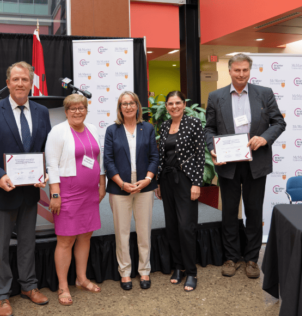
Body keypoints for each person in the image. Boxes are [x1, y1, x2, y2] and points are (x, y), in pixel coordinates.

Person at [0, 61, 51, 316]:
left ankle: (29, 286)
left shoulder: (41, 111)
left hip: (29, 193)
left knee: (28, 243)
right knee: (0, 246)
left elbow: (45, 149)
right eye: (15, 79)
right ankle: (2, 294)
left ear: (31, 83)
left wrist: (44, 171)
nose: (20, 84)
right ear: (7, 83)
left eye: (24, 79)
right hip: (2, 191)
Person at [204, 53, 286, 279]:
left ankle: (251, 259)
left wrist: (265, 138)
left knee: (253, 210)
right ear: (229, 71)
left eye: (245, 70)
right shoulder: (216, 96)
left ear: (250, 71)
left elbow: (279, 122)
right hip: (228, 163)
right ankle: (231, 257)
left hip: (255, 162)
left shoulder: (264, 94)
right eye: (237, 70)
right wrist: (213, 149)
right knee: (229, 212)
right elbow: (209, 129)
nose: (241, 74)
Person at [45, 94, 106, 305]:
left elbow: (99, 157)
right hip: (67, 193)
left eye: (81, 108)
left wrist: (102, 183)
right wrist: (55, 194)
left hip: (90, 193)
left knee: (86, 236)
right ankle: (63, 286)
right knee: (66, 239)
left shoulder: (93, 129)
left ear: (86, 109)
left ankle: (81, 279)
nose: (77, 111)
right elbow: (51, 165)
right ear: (66, 111)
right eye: (73, 108)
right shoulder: (58, 132)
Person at [104, 91, 159, 290]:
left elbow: (154, 157)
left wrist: (147, 180)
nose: (128, 106)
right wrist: (121, 184)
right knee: (122, 232)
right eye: (124, 104)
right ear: (120, 108)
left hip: (145, 187)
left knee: (144, 232)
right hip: (120, 189)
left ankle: (144, 271)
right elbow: (108, 161)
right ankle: (125, 272)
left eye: (131, 103)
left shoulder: (148, 128)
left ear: (137, 106)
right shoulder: (112, 130)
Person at [155, 91, 205, 292]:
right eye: (170, 103)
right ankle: (179, 266)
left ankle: (192, 272)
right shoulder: (165, 125)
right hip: (167, 180)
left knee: (186, 226)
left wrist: (196, 183)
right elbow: (161, 156)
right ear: (166, 106)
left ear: (184, 104)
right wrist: (158, 181)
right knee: (172, 226)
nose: (174, 106)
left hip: (186, 180)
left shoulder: (193, 123)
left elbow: (200, 155)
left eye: (177, 103)